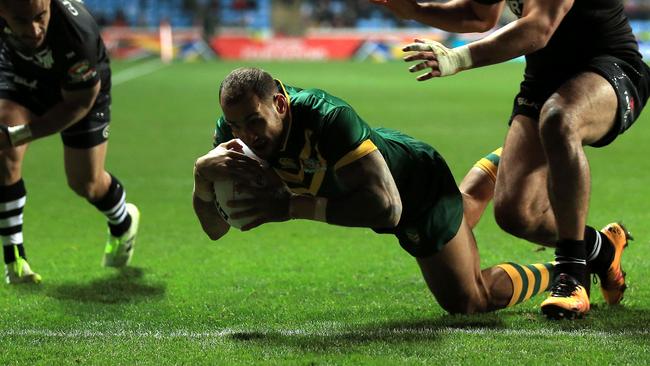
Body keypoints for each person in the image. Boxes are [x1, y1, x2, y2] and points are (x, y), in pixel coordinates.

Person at [193, 67, 556, 314]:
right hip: (376, 185)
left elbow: (387, 210)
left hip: (414, 190)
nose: (246, 136)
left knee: (468, 300)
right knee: (463, 208)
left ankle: (568, 269)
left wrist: (291, 207)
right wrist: (201, 180)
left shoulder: (327, 118)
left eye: (254, 122)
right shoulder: (234, 137)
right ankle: (521, 149)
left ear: (281, 105)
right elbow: (217, 229)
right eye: (235, 125)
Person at [371, 0, 643, 319]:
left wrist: (458, 57)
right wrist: (415, 10)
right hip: (544, 78)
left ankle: (571, 275)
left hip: (609, 67)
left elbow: (539, 27)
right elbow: (478, 15)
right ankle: (602, 248)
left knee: (559, 119)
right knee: (517, 214)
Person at [0, 0, 140, 284]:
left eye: (41, 16)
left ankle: (123, 220)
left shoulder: (77, 32)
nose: (35, 29)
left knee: (85, 183)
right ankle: (14, 260)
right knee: (3, 154)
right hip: (21, 76)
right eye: (21, 20)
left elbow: (78, 103)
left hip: (80, 95)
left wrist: (19, 135)